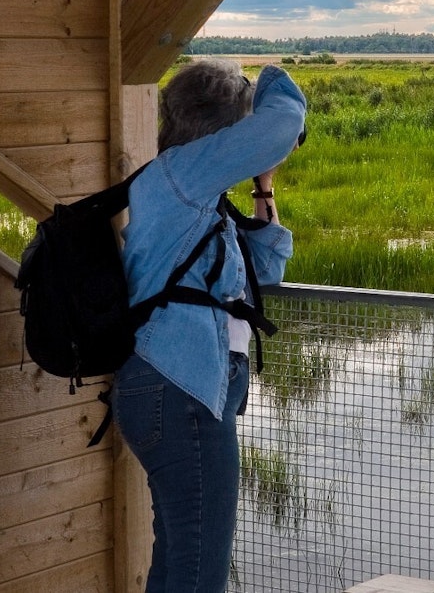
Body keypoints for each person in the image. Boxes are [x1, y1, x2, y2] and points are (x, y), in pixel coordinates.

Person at [111, 59, 307, 592]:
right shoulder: (179, 178)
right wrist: (272, 78)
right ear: (224, 125)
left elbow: (264, 268)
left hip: (180, 392)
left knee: (177, 562)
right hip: (181, 395)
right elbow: (284, 122)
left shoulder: (194, 196)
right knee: (200, 576)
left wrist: (263, 187)